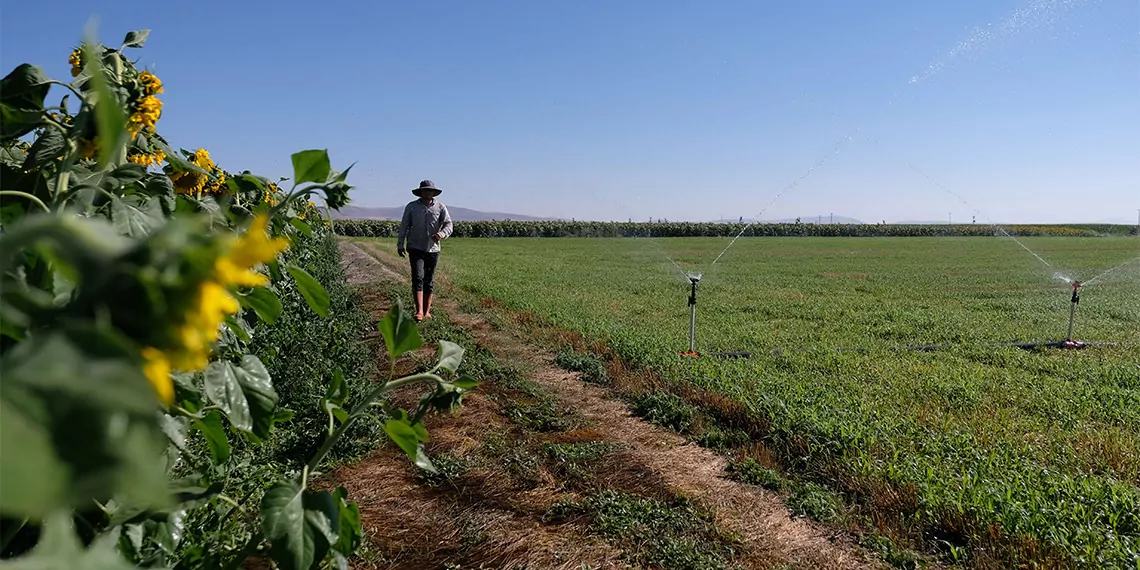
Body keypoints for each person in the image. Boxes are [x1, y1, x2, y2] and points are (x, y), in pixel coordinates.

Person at [396, 180, 453, 322]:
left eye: (430, 191)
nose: (427, 193)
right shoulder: (412, 207)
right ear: (420, 192)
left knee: (429, 280)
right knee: (418, 277)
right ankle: (419, 311)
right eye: (425, 190)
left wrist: (442, 234)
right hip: (415, 247)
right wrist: (400, 244)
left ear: (434, 192)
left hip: (433, 249)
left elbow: (448, 224)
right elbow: (404, 225)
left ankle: (427, 311)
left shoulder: (440, 207)